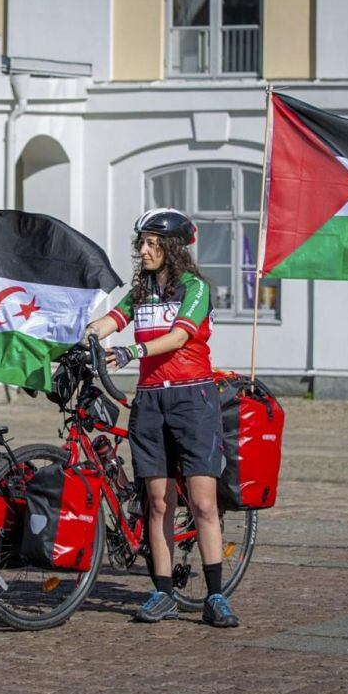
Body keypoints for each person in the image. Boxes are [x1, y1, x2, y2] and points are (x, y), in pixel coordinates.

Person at [83, 208, 239, 628]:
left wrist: (132, 352)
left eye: (153, 243)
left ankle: (216, 596)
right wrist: (83, 333)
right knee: (157, 503)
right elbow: (112, 320)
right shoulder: (142, 291)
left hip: (193, 400)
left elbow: (180, 336)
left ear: (172, 248)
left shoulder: (195, 288)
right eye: (142, 243)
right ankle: (163, 593)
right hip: (151, 403)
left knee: (204, 503)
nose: (145, 250)